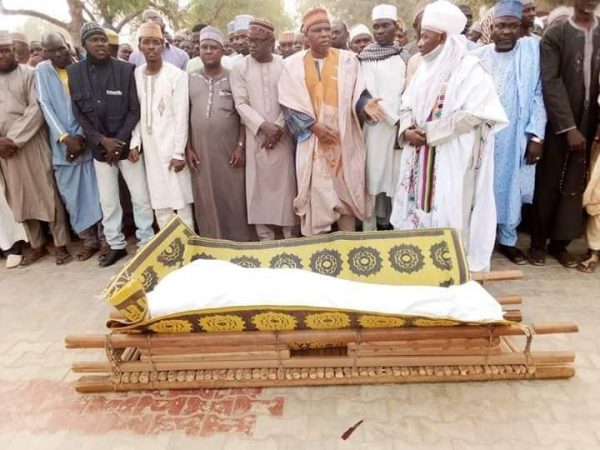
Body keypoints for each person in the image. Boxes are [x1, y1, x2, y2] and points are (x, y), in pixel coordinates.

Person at [390, 0, 508, 272]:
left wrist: (430, 133)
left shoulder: (470, 69)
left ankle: (450, 269)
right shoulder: (425, 68)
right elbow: (406, 102)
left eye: (425, 37)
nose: (419, 43)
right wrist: (407, 128)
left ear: (442, 37)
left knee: (449, 210)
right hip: (419, 155)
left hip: (450, 157)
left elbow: (476, 114)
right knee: (417, 210)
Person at [278, 7, 386, 236]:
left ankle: (349, 248)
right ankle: (319, 251)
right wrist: (315, 127)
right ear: (306, 36)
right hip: (314, 145)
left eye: (327, 29)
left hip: (343, 140)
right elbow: (288, 103)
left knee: (346, 196)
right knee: (318, 196)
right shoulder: (292, 64)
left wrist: (365, 105)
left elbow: (359, 91)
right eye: (317, 31)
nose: (325, 34)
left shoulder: (348, 60)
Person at [68, 23, 154, 267]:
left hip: (125, 147)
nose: (100, 44)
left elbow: (134, 109)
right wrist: (102, 141)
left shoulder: (126, 69)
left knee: (140, 197)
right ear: (84, 45)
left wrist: (119, 142)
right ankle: (116, 245)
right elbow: (79, 113)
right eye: (94, 40)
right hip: (99, 149)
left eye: (103, 40)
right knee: (108, 200)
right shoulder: (75, 73)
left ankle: (146, 241)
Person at [472, 0, 547, 265]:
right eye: (501, 25)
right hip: (483, 137)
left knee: (511, 188)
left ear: (520, 27)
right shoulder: (478, 58)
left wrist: (536, 136)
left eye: (512, 26)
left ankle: (508, 241)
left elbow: (539, 94)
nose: (506, 31)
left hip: (517, 136)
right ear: (492, 28)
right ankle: (483, 239)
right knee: (483, 189)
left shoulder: (532, 52)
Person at [530, 0, 600, 268]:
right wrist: (568, 127)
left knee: (575, 183)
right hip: (559, 122)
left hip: (591, 121)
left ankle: (561, 244)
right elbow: (551, 81)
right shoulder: (557, 32)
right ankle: (538, 243)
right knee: (549, 181)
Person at [0, 30, 72, 266]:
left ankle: (60, 244)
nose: (2, 55)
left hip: (31, 144)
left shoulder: (30, 74)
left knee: (47, 194)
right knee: (18, 198)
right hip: (4, 152)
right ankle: (37, 245)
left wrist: (13, 139)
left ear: (13, 51)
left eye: (6, 50)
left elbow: (36, 109)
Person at [36, 32, 105, 262]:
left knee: (98, 194)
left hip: (88, 142)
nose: (58, 54)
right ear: (46, 52)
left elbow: (92, 105)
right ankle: (88, 241)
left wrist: (84, 137)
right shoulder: (43, 71)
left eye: (61, 48)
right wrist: (66, 139)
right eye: (52, 50)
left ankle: (105, 239)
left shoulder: (83, 67)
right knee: (73, 196)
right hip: (63, 148)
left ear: (69, 46)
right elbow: (45, 106)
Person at [231, 18, 299, 241]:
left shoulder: (285, 65)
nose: (251, 45)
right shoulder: (240, 68)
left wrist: (277, 128)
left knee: (286, 190)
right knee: (258, 190)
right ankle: (265, 241)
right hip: (256, 138)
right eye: (249, 40)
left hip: (283, 138)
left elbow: (292, 99)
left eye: (257, 41)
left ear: (271, 43)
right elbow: (240, 103)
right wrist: (263, 127)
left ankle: (290, 240)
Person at [186, 27, 256, 242]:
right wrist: (188, 148)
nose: (208, 51)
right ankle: (212, 243)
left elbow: (244, 115)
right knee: (206, 197)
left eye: (213, 47)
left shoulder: (233, 77)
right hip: (200, 151)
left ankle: (240, 243)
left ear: (222, 51)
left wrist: (241, 146)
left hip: (229, 151)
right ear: (199, 50)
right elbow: (184, 117)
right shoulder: (189, 79)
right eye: (204, 47)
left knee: (234, 197)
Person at [131, 22, 194, 230]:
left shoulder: (176, 75)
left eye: (155, 43)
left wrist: (178, 152)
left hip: (171, 146)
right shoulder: (136, 75)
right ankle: (170, 251)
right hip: (149, 150)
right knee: (160, 203)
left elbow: (181, 115)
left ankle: (190, 249)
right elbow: (136, 112)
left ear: (163, 45)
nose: (151, 47)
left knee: (181, 202)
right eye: (146, 43)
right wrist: (135, 142)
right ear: (139, 46)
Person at [358, 4, 407, 231]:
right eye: (375, 27)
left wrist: (403, 124)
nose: (379, 31)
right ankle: (369, 230)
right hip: (376, 127)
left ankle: (393, 227)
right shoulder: (365, 58)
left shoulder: (404, 57)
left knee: (396, 181)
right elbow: (369, 95)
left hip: (400, 130)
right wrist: (394, 120)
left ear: (395, 27)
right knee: (373, 179)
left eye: (384, 26)